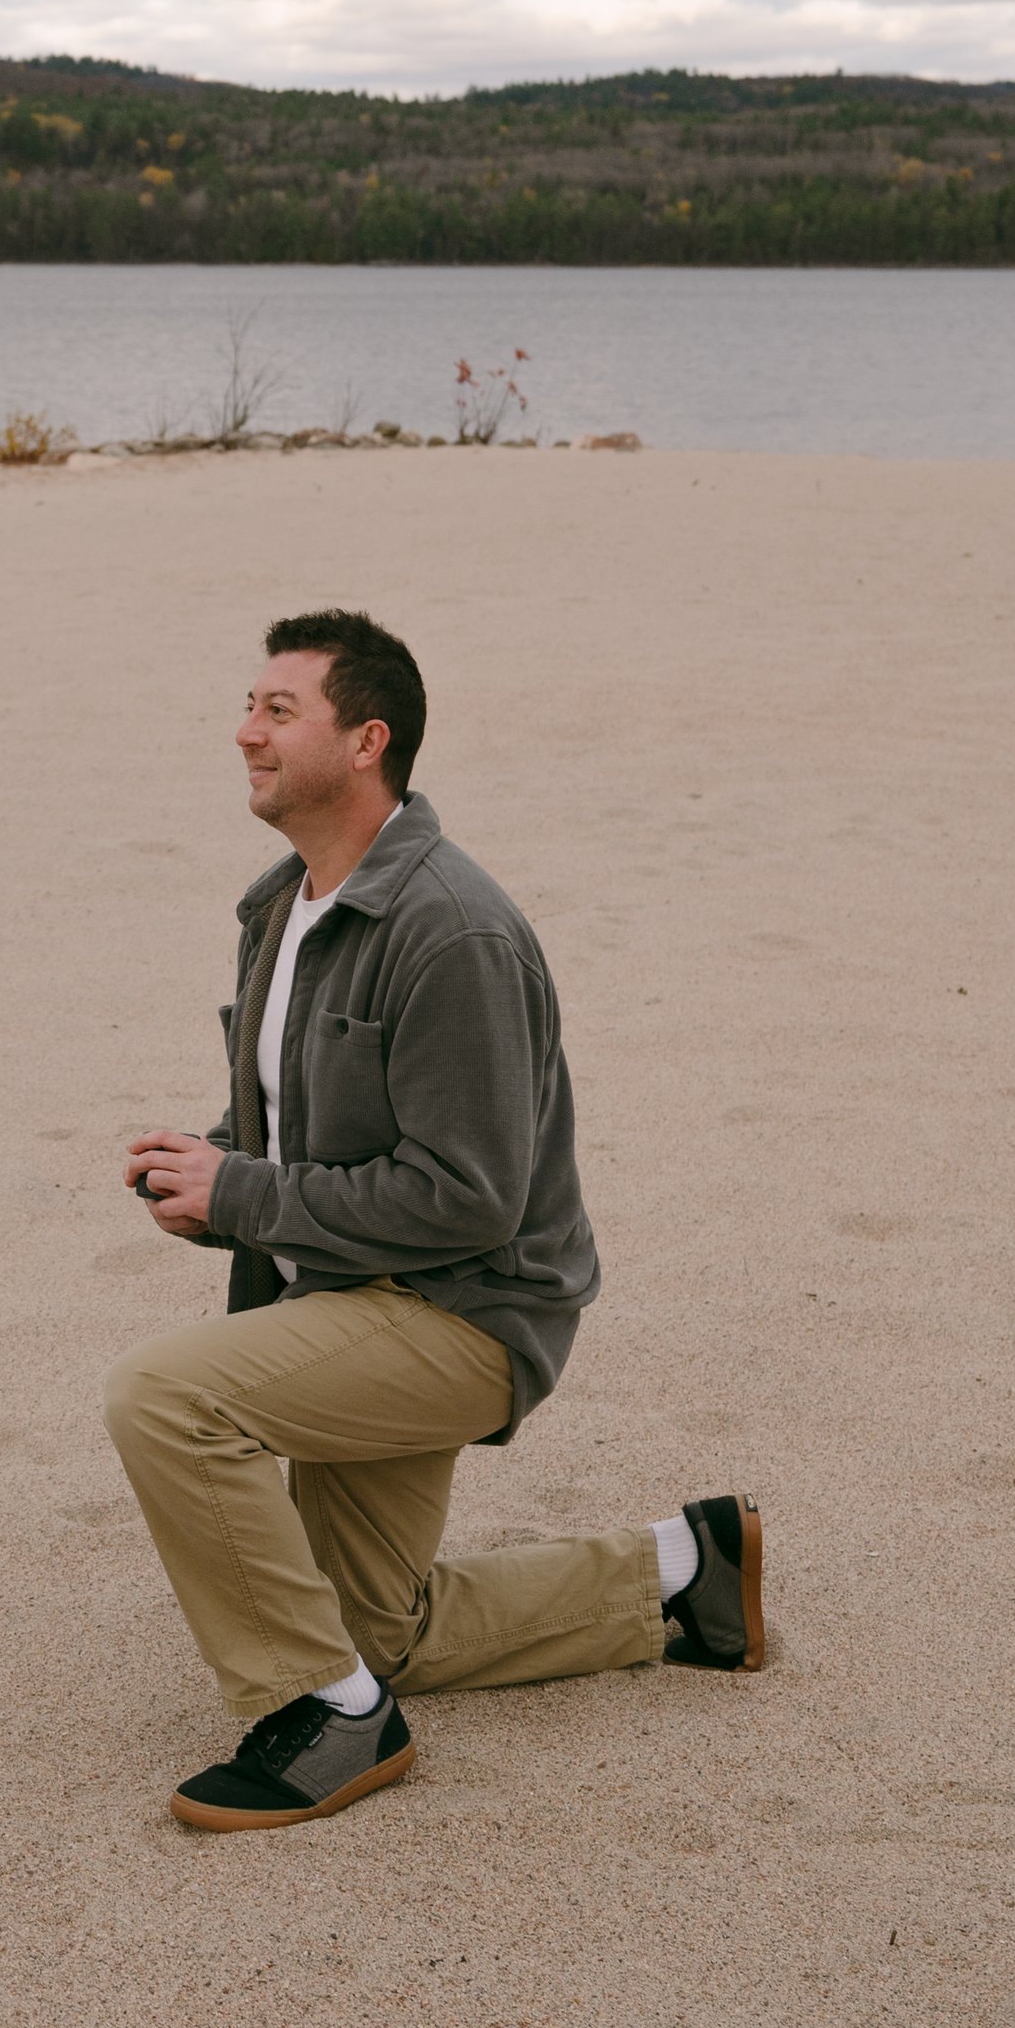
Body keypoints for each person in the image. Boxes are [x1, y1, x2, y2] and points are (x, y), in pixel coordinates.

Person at [107, 607, 760, 1835]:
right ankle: (687, 1569)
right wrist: (214, 1171)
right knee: (377, 1627)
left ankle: (326, 1712)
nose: (242, 730)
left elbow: (470, 1195)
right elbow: (324, 1134)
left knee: (162, 1396)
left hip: (463, 1309)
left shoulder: (450, 928)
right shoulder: (283, 905)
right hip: (356, 1295)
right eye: (248, 704)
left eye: (275, 708)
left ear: (367, 739)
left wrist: (244, 1192)